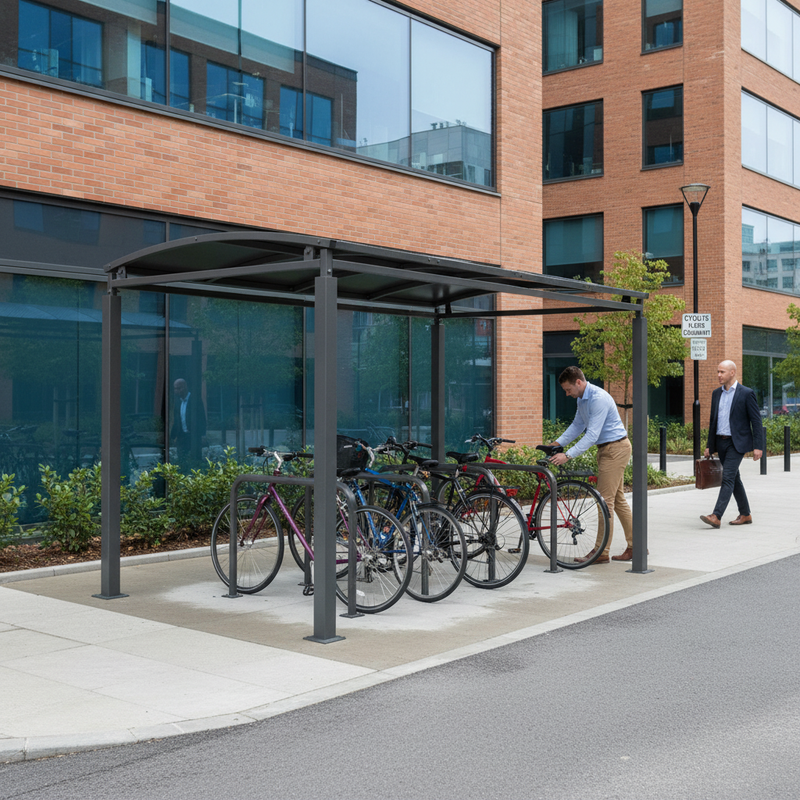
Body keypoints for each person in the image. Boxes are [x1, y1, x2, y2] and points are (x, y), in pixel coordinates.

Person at [549, 366, 634, 563]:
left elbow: (592, 434)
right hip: (607, 449)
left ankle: (601, 552)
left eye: (568, 389)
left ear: (579, 382)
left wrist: (567, 455)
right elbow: (577, 425)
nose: (567, 394)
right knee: (617, 500)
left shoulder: (598, 398)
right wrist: (557, 444)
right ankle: (635, 546)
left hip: (615, 449)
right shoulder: (582, 399)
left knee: (604, 502)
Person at [699, 360, 763, 528]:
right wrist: (709, 445)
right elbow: (713, 421)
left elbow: (756, 421)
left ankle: (716, 515)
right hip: (720, 442)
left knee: (727, 477)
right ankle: (745, 514)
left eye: (722, 372)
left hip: (737, 443)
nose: (719, 375)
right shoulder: (716, 393)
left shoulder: (746, 393)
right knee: (735, 478)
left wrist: (758, 446)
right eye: (718, 372)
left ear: (732, 373)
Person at [171, 378, 207, 467]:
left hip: (193, 435)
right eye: (175, 388)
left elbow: (201, 417)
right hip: (182, 436)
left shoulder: (195, 400)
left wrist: (202, 435)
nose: (177, 391)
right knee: (181, 459)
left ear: (185, 387)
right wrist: (173, 436)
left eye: (179, 388)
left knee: (195, 460)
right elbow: (177, 420)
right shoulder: (178, 402)